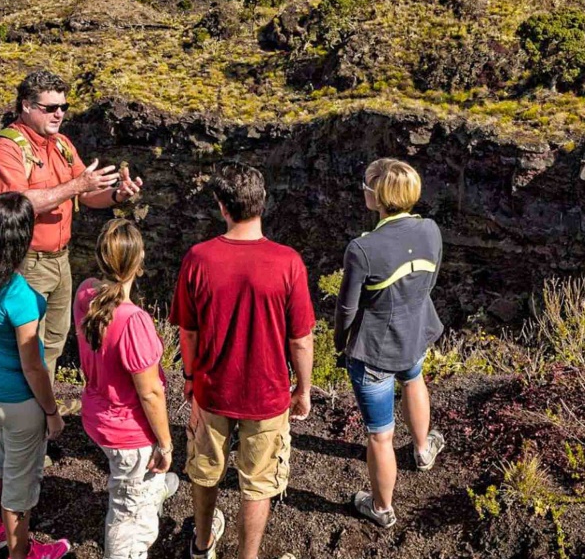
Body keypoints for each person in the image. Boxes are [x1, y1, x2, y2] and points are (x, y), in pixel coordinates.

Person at [170, 161, 316, 559]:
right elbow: (301, 340)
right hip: (267, 394)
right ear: (262, 203)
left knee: (205, 470)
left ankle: (202, 546)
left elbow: (189, 331)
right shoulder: (288, 263)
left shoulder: (198, 258)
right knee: (258, 482)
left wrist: (188, 376)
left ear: (221, 206)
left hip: (212, 387)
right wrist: (302, 390)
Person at [0, 69, 143, 414]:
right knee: (28, 347)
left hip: (59, 260)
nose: (59, 114)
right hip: (24, 262)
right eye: (50, 107)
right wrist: (76, 187)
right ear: (26, 106)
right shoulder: (5, 148)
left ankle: (43, 410)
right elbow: (15, 204)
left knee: (53, 341)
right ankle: (26, 420)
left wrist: (116, 195)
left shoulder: (62, 145)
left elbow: (87, 196)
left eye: (64, 107)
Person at [333, 158, 446, 529]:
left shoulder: (363, 249)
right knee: (414, 380)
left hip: (375, 349)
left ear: (379, 195)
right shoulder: (430, 229)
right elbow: (428, 284)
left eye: (366, 185)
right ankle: (423, 449)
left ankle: (381, 508)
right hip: (416, 334)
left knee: (380, 435)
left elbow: (347, 306)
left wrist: (340, 342)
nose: (363, 190)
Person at [0, 192, 71, 559]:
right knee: (19, 490)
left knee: (3, 461)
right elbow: (34, 366)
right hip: (19, 400)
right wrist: (52, 413)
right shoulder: (19, 296)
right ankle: (20, 552)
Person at [73, 219, 179, 559]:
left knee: (133, 485)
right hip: (128, 432)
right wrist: (165, 444)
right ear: (139, 260)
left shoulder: (85, 292)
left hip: (97, 413)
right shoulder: (133, 320)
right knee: (128, 515)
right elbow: (150, 393)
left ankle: (153, 489)